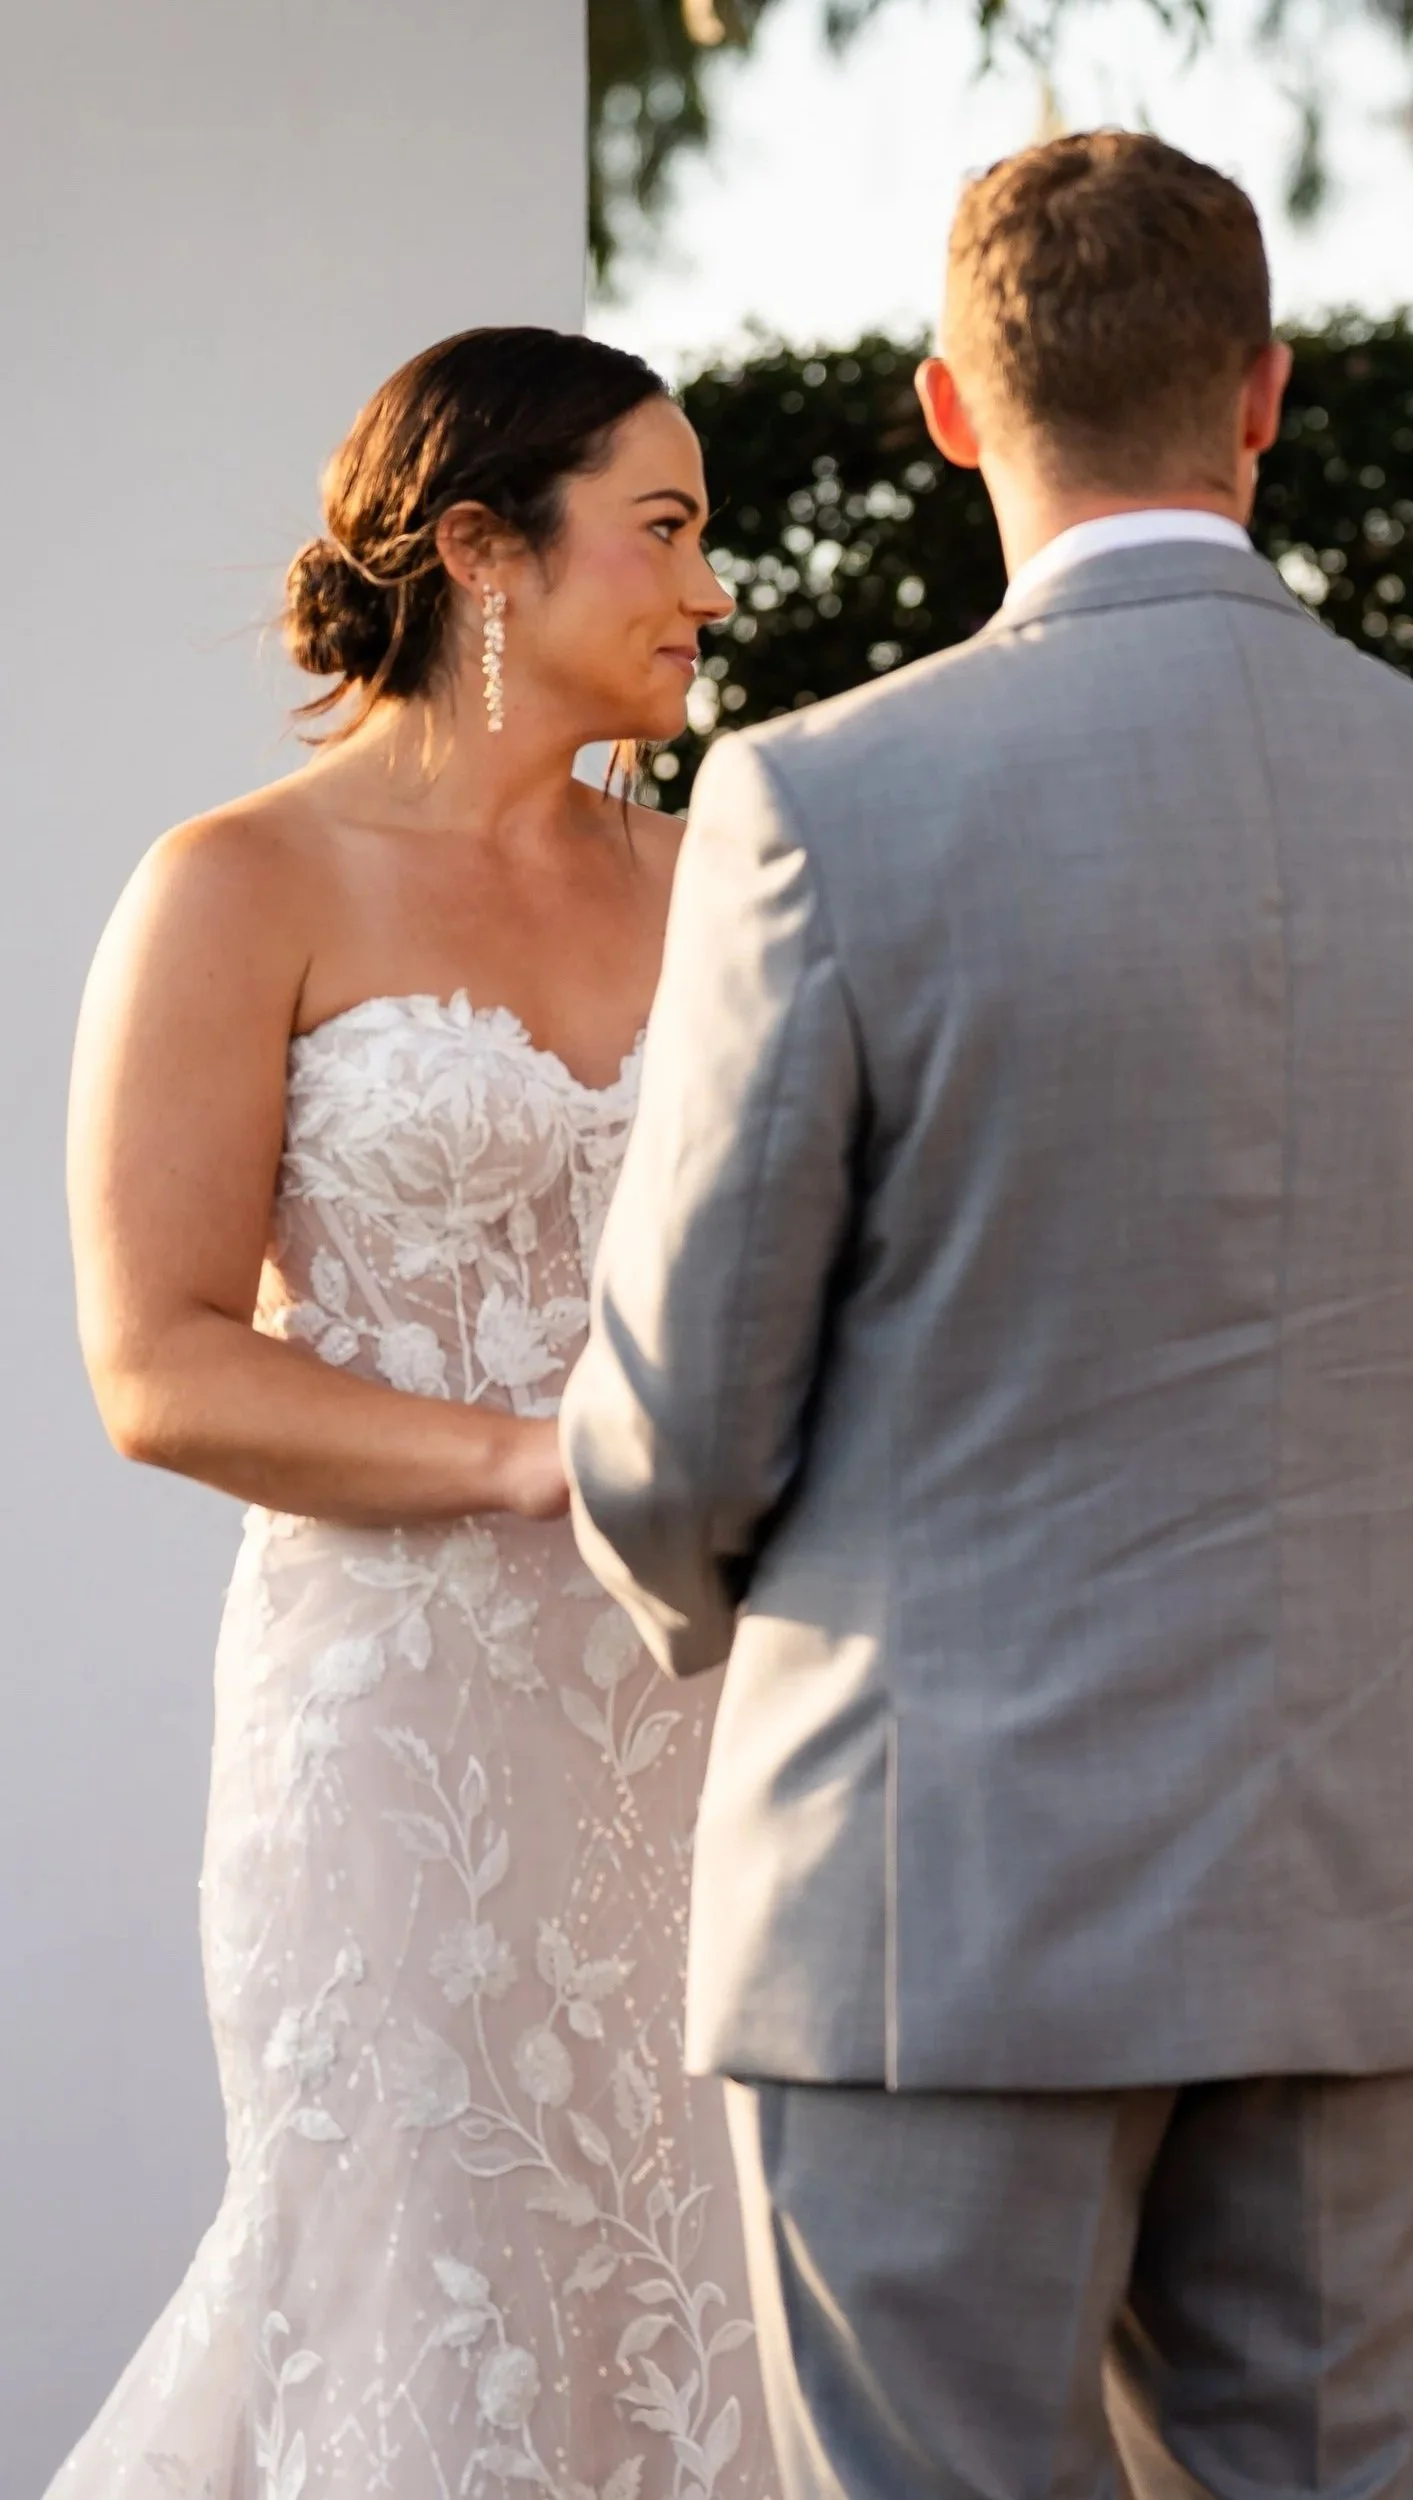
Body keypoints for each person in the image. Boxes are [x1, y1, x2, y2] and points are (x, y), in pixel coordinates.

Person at [560, 130, 1413, 2500]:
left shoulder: (823, 798)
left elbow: (679, 1411)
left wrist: (698, 1598)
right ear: (1263, 398)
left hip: (930, 1884)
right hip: (1345, 1875)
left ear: (946, 408)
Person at [48, 330, 769, 2498]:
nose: (706, 588)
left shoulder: (725, 880)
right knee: (416, 2281)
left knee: (714, 2292)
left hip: (707, 1717)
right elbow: (154, 1356)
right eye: (662, 529)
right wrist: (522, 1455)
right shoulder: (234, 884)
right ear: (478, 547)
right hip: (394, 1735)